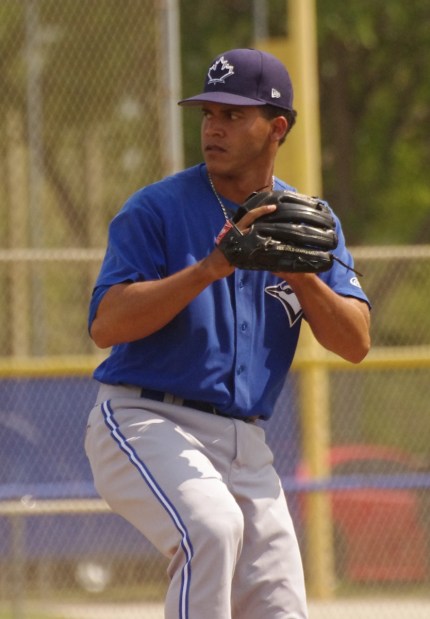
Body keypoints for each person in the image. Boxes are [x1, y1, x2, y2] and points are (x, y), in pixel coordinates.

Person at [84, 48, 371, 619]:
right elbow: (106, 324)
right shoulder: (156, 209)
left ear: (277, 128)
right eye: (208, 113)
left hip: (246, 444)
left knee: (280, 607)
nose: (213, 127)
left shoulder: (309, 223)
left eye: (233, 115)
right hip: (147, 418)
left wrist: (299, 274)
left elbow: (355, 342)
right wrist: (209, 268)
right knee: (211, 528)